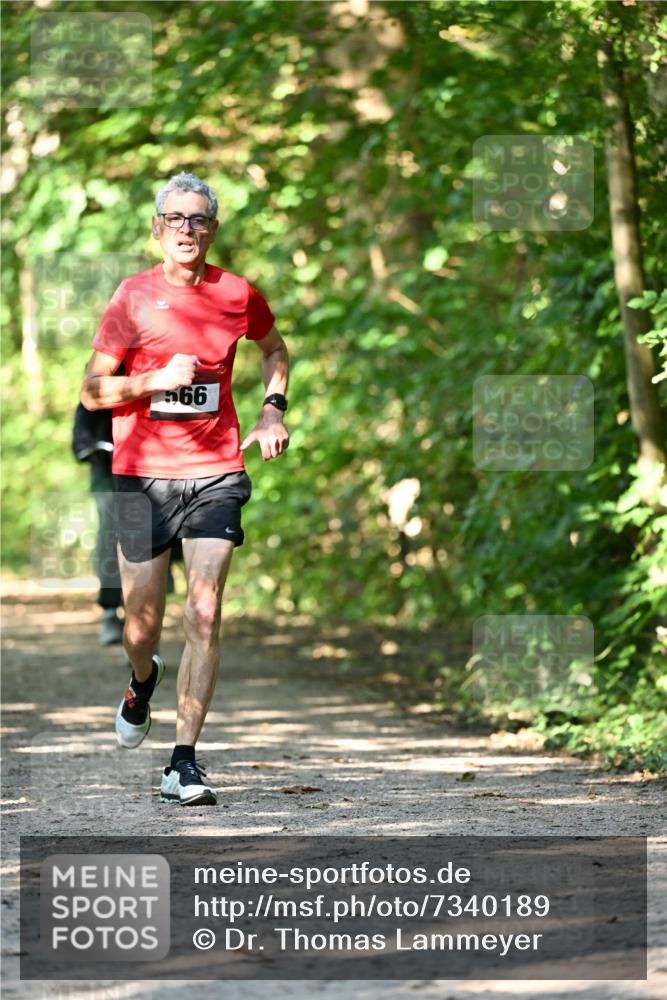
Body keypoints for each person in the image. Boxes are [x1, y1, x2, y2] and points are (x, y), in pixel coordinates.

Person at [80, 172, 289, 806]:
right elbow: (92, 391)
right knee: (142, 627)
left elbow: (275, 350)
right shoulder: (133, 297)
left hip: (216, 472)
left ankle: (183, 762)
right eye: (175, 219)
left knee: (204, 610)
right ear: (157, 228)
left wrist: (272, 410)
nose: (186, 230)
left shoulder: (237, 293)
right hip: (141, 477)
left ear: (213, 230)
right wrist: (154, 381)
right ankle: (142, 681)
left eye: (198, 219)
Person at [71, 402, 124, 646]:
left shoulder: (148, 388)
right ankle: (110, 610)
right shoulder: (96, 396)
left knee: (155, 529)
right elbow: (80, 437)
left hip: (145, 470)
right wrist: (89, 447)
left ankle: (153, 599)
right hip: (106, 471)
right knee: (109, 530)